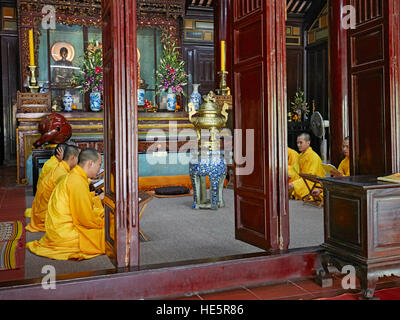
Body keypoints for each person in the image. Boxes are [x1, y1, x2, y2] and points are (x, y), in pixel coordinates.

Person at [26, 148, 105, 261]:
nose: (99, 168)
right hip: (63, 233)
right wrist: (101, 219)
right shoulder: (77, 180)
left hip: (56, 227)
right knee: (106, 233)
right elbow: (85, 219)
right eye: (99, 164)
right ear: (90, 163)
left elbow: (79, 202)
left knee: (106, 221)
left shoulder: (75, 175)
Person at [26, 145, 80, 233]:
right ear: (72, 157)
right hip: (45, 215)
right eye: (78, 157)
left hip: (44, 207)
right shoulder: (55, 167)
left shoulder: (61, 166)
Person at [24, 143, 68, 218]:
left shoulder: (57, 162)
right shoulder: (53, 165)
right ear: (60, 153)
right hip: (47, 201)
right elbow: (66, 181)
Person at [289, 133, 325, 200]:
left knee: (290, 185)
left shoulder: (314, 157)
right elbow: (295, 170)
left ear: (308, 143)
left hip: (311, 182)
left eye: (301, 143)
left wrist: (296, 182)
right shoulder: (300, 156)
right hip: (303, 179)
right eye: (297, 143)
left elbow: (311, 176)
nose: (298, 145)